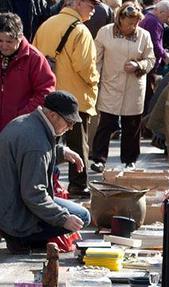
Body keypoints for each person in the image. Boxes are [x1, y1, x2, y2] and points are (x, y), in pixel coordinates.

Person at [0, 91, 90, 254]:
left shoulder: (27, 123)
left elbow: (28, 155)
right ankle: (24, 239)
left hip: (9, 205)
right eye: (69, 122)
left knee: (75, 213)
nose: (70, 128)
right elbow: (34, 195)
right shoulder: (37, 144)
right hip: (15, 218)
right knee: (82, 217)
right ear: (53, 115)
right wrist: (63, 218)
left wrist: (61, 152)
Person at [33, 0, 101, 197]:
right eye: (91, 5)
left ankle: (45, 183)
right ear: (78, 4)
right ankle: (78, 185)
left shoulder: (46, 25)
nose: (94, 9)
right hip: (74, 97)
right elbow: (86, 68)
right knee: (78, 144)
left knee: (47, 143)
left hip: (49, 96)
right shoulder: (81, 30)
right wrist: (95, 81)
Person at [90, 1, 155, 173]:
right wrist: (93, 80)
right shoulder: (105, 32)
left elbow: (151, 59)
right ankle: (98, 159)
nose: (132, 27)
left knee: (132, 126)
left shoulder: (144, 35)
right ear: (120, 19)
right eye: (129, 23)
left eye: (135, 23)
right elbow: (96, 59)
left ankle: (129, 160)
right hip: (111, 83)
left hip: (134, 86)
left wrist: (139, 65)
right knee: (106, 123)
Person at [0, 12, 55, 132]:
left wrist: (23, 116)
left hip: (20, 127)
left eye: (9, 41)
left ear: (20, 37)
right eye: (0, 40)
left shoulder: (35, 58)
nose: (4, 46)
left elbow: (45, 92)